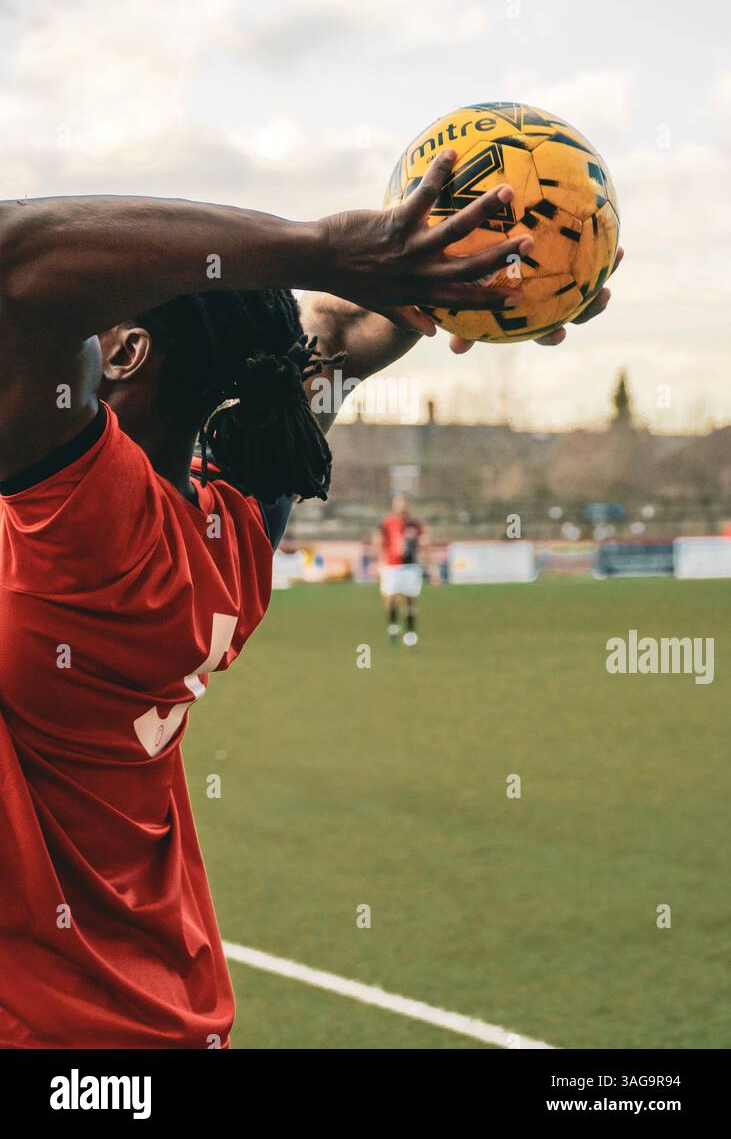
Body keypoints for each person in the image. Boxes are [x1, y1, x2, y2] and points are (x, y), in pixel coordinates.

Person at [0, 155, 620, 1046]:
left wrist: (317, 248)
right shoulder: (235, 526)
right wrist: (485, 282)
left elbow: (16, 258)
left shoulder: (91, 523)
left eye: (100, 333)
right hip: (160, 1010)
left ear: (129, 351)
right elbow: (338, 334)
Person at [379, 496, 428, 646]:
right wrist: (380, 562)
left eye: (404, 505)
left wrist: (427, 559)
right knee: (391, 599)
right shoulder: (388, 522)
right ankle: (393, 628)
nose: (402, 507)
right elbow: (381, 542)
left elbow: (424, 541)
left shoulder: (415, 524)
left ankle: (410, 633)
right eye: (399, 505)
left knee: (410, 600)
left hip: (410, 566)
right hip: (392, 566)